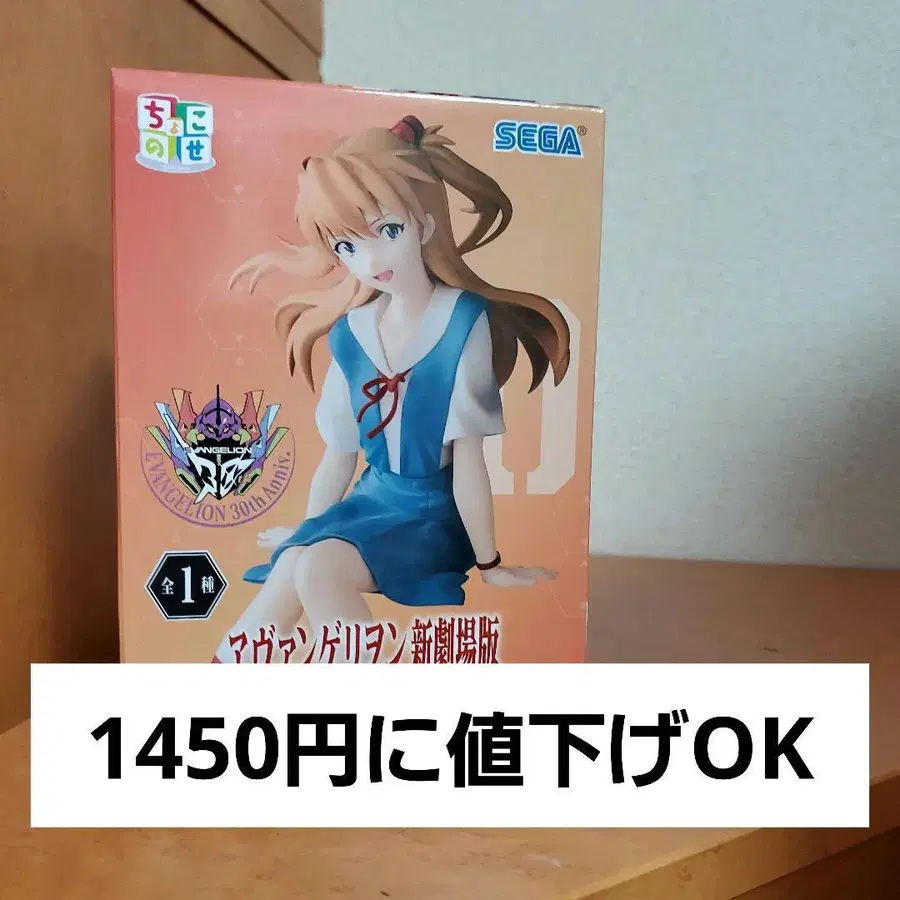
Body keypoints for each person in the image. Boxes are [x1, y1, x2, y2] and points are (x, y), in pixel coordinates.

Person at [212, 114, 570, 663]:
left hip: (434, 515)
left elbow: (469, 459)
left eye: (388, 231)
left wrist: (490, 562)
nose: (371, 260)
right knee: (296, 561)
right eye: (346, 246)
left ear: (424, 225)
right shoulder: (350, 332)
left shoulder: (462, 319)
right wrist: (310, 526)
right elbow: (340, 455)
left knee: (313, 567)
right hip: (369, 500)